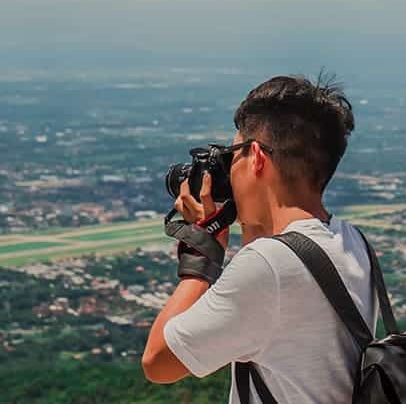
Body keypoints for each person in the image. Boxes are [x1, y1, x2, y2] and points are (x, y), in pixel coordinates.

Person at [142, 74, 373, 403]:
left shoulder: (269, 266)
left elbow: (158, 362)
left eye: (233, 156)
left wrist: (201, 256)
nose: (229, 170)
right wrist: (247, 217)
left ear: (257, 157)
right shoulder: (353, 241)